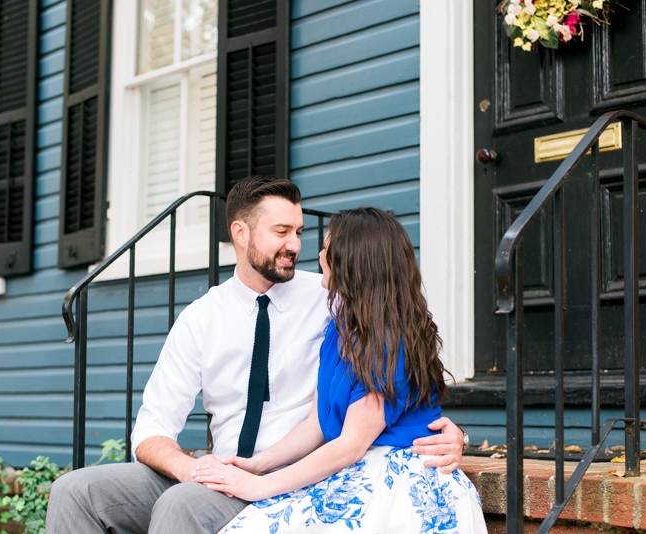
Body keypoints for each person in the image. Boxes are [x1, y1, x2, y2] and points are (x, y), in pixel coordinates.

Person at [46, 176, 467, 534]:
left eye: (301, 233)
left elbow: (394, 358)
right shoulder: (201, 318)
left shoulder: (333, 297)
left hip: (298, 477)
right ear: (240, 233)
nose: (296, 245)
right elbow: (151, 431)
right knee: (75, 491)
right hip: (225, 467)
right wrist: (200, 470)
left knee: (182, 505)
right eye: (282, 232)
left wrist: (450, 432)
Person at [195, 208, 486, 533]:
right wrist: (257, 464)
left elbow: (351, 445)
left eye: (327, 248)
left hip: (396, 477)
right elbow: (317, 422)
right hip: (354, 466)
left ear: (350, 262)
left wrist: (259, 487)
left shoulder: (388, 340)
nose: (319, 254)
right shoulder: (340, 329)